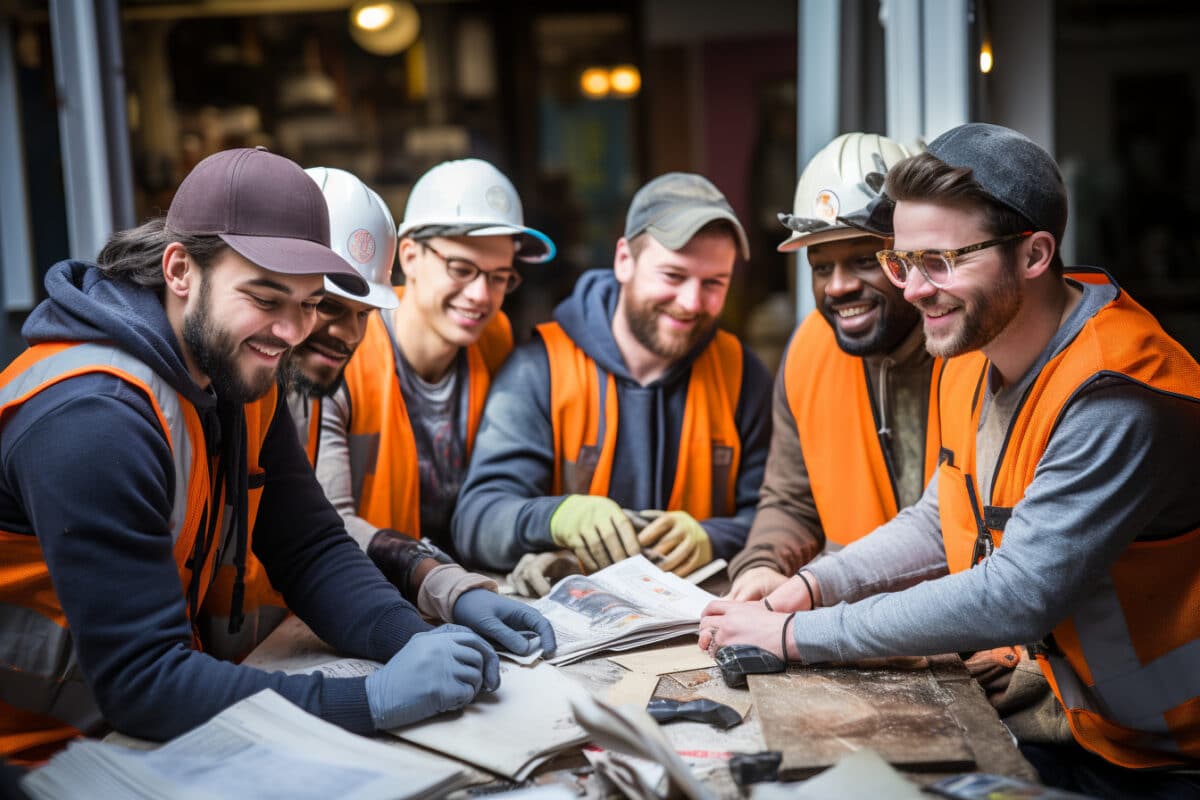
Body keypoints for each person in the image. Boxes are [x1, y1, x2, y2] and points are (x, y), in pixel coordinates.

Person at [699, 124, 1200, 796]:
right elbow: (942, 517)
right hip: (1080, 726)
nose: (910, 289)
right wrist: (813, 586)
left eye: (939, 261)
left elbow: (1017, 594)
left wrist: (794, 633)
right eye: (903, 261)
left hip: (1170, 754)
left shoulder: (1117, 394)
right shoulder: (972, 348)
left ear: (1034, 254)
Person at [0, 148, 503, 763]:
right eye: (266, 298)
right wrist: (368, 701)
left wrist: (413, 639)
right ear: (181, 270)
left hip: (125, 740)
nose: (292, 332)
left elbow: (309, 546)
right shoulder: (93, 420)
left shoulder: (231, 369)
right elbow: (144, 683)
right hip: (33, 757)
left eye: (308, 302)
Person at [285, 164, 554, 658]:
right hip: (357, 602)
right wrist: (438, 580)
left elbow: (499, 482)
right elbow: (326, 522)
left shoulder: (492, 341)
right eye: (461, 269)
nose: (480, 296)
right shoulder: (336, 356)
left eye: (499, 277)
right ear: (408, 255)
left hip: (461, 591)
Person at [453, 172, 772, 586]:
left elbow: (780, 517)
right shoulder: (541, 368)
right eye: (673, 276)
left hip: (703, 628)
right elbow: (475, 522)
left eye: (714, 283)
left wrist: (712, 537)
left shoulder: (743, 375)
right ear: (624, 260)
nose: (692, 302)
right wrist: (557, 517)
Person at [726, 132, 937, 601]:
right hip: (862, 637)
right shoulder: (808, 351)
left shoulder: (970, 352)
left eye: (864, 260)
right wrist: (763, 562)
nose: (837, 287)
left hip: (977, 640)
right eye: (821, 267)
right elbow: (791, 500)